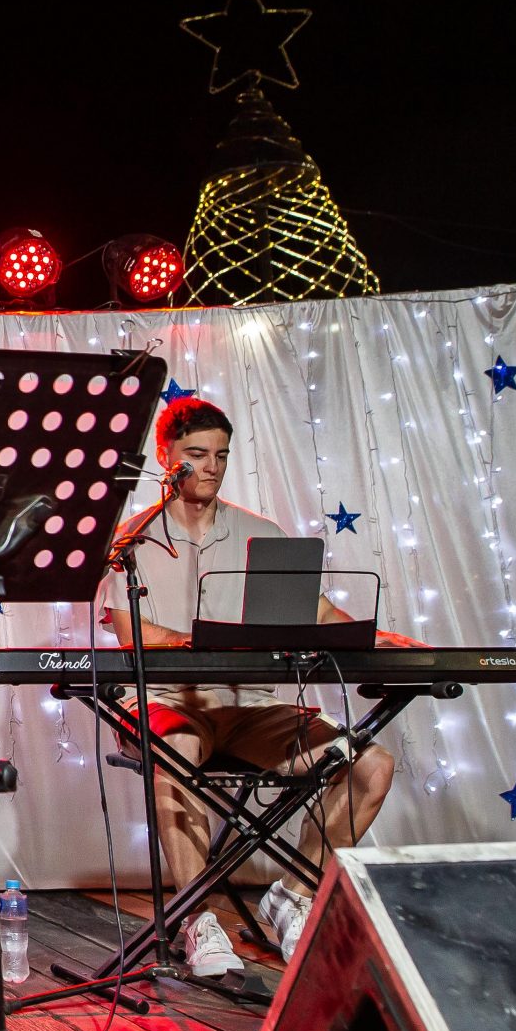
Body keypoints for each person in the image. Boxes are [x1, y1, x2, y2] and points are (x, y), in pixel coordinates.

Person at [98, 396, 398, 980]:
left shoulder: (263, 534)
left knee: (372, 765)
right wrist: (201, 643)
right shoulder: (132, 539)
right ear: (166, 458)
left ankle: (295, 891)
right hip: (168, 704)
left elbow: (316, 611)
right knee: (175, 751)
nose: (211, 467)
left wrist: (377, 639)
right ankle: (196, 917)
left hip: (252, 707)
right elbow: (133, 632)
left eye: (221, 455)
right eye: (197, 455)